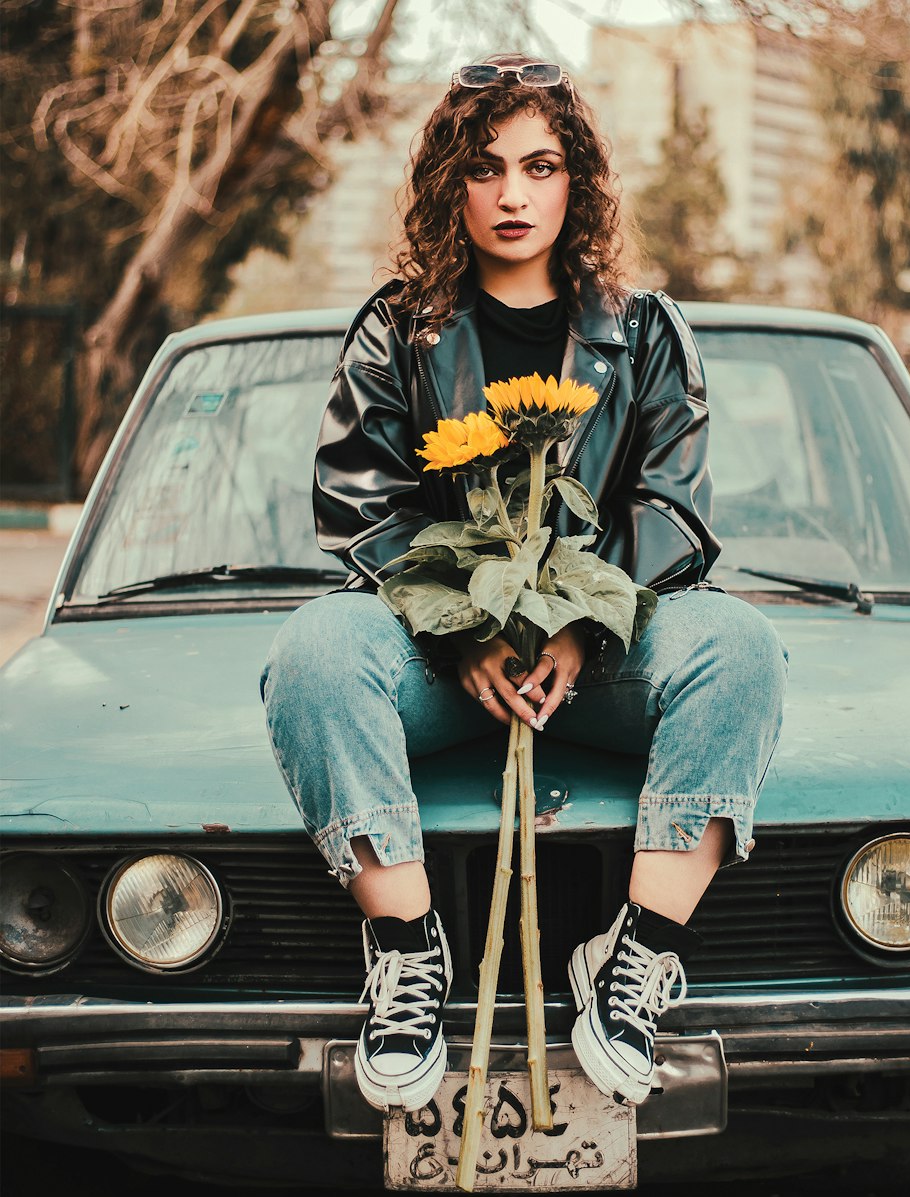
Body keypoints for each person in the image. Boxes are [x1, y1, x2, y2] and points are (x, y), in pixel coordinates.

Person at [262, 55, 787, 1115]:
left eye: (539, 167)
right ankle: (408, 953)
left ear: (574, 182)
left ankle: (634, 957)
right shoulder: (397, 330)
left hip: (595, 664)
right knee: (312, 652)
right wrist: (464, 635)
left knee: (741, 646)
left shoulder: (642, 331)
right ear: (450, 184)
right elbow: (364, 509)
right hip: (436, 664)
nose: (512, 194)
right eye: (486, 167)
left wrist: (579, 632)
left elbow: (674, 512)